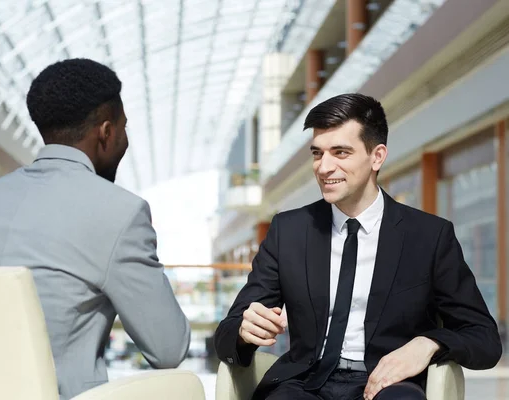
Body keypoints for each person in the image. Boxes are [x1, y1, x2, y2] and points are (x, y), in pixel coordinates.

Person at [214, 93, 502, 400]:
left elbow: (484, 338)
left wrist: (428, 343)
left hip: (388, 385)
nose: (324, 167)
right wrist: (244, 331)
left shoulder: (429, 236)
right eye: (317, 153)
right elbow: (227, 333)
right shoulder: (289, 230)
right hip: (303, 384)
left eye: (340, 152)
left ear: (377, 156)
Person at [0, 59, 191, 400]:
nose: (125, 141)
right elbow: (169, 348)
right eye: (124, 128)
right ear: (106, 132)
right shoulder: (121, 211)